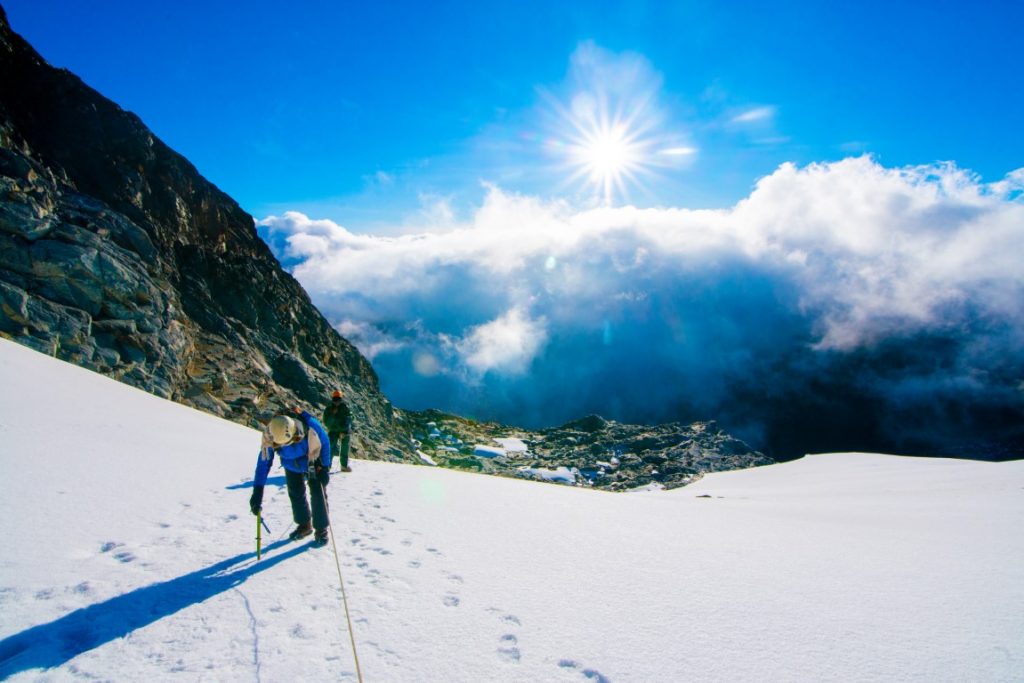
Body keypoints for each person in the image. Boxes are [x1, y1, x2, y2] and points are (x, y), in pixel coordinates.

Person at [249, 407, 332, 546]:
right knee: (295, 493)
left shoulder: (310, 426)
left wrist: (325, 467)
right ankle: (304, 525)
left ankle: (321, 529)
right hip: (291, 465)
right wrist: (257, 491)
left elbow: (325, 442)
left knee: (318, 493)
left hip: (311, 460)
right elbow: (264, 463)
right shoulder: (271, 434)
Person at [322, 389, 353, 472]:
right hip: (333, 430)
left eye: (338, 399)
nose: (336, 401)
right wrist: (333, 416)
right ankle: (327, 466)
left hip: (344, 431)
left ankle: (344, 465)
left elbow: (349, 419)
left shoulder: (345, 408)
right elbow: (326, 421)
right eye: (335, 399)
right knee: (330, 447)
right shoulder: (329, 409)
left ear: (341, 399)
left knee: (345, 448)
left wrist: (344, 430)